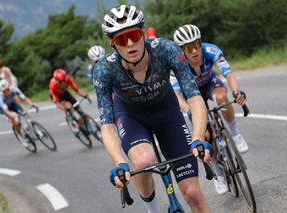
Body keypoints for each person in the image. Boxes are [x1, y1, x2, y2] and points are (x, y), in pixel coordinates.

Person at [93, 5, 213, 213]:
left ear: (143, 33)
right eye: (122, 39)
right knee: (142, 161)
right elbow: (107, 125)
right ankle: (153, 209)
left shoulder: (166, 50)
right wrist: (120, 162)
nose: (130, 43)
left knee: (192, 193)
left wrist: (198, 137)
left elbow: (194, 97)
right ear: (112, 43)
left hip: (167, 112)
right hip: (131, 116)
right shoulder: (104, 69)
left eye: (134, 35)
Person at [172, 24, 248, 194]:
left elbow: (228, 74)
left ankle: (235, 133)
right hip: (191, 94)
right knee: (205, 134)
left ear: (201, 43)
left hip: (210, 84)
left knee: (222, 98)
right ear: (182, 50)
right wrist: (190, 111)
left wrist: (236, 91)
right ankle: (217, 173)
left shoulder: (211, 50)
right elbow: (176, 95)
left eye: (196, 45)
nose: (194, 51)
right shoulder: (177, 64)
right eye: (189, 48)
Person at [0, 79, 35, 147]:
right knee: (16, 121)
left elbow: (24, 97)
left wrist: (31, 104)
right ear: (1, 92)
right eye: (4, 91)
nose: (7, 92)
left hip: (11, 103)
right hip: (2, 108)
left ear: (9, 87)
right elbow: (6, 111)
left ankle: (32, 130)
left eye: (8, 89)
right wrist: (13, 116)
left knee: (24, 112)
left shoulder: (14, 89)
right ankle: (20, 136)